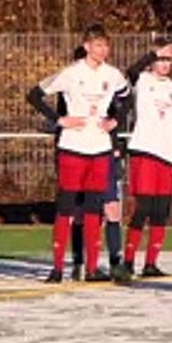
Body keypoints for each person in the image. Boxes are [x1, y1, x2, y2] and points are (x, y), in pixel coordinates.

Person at [27, 24, 131, 283]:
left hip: (100, 149)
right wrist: (59, 119)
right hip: (73, 148)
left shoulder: (113, 74)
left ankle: (93, 268)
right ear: (87, 47)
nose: (103, 50)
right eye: (98, 45)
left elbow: (127, 96)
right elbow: (35, 95)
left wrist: (115, 119)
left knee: (94, 209)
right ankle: (58, 268)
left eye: (106, 45)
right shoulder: (71, 73)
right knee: (66, 207)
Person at [114, 38, 172, 282]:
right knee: (142, 208)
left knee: (161, 211)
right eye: (161, 59)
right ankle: (127, 262)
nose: (165, 64)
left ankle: (151, 263)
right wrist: (153, 52)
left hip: (166, 156)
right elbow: (131, 71)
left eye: (169, 60)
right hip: (144, 151)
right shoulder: (143, 80)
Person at [57, 45, 125, 281]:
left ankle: (116, 262)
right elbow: (61, 122)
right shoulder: (69, 88)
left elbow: (123, 106)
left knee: (111, 209)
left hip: (105, 153)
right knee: (77, 211)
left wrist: (115, 135)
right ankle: (79, 262)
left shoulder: (111, 84)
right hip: (76, 152)